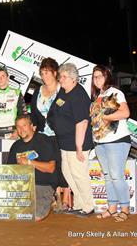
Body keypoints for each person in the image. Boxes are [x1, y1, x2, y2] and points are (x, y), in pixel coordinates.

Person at [47, 63, 94, 217]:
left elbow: (82, 122)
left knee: (79, 174)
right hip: (64, 143)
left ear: (74, 78)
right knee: (68, 174)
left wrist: (79, 147)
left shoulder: (78, 95)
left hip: (77, 144)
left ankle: (88, 206)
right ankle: (79, 204)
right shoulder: (64, 91)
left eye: (64, 76)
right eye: (60, 76)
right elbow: (53, 110)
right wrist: (53, 123)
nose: (61, 79)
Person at [90, 64, 131, 222]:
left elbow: (125, 112)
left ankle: (125, 208)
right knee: (107, 177)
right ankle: (112, 208)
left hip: (117, 140)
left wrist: (105, 117)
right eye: (94, 76)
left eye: (100, 75)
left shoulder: (115, 93)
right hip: (100, 142)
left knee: (116, 176)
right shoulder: (96, 97)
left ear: (107, 77)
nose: (97, 79)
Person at [30, 57, 70, 212]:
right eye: (42, 72)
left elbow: (67, 112)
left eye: (47, 72)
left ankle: (66, 199)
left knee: (63, 165)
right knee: (47, 166)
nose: (44, 75)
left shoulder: (63, 90)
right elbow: (34, 113)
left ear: (55, 73)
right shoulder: (38, 91)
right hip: (42, 135)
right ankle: (54, 197)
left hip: (60, 134)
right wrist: (33, 127)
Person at [8, 114, 59, 221]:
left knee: (34, 217)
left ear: (32, 126)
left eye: (24, 125)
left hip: (41, 185)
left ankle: (51, 197)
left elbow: (51, 168)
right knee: (6, 214)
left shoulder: (44, 141)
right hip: (22, 187)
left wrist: (29, 162)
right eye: (18, 127)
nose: (21, 129)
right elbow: (10, 170)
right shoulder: (15, 146)